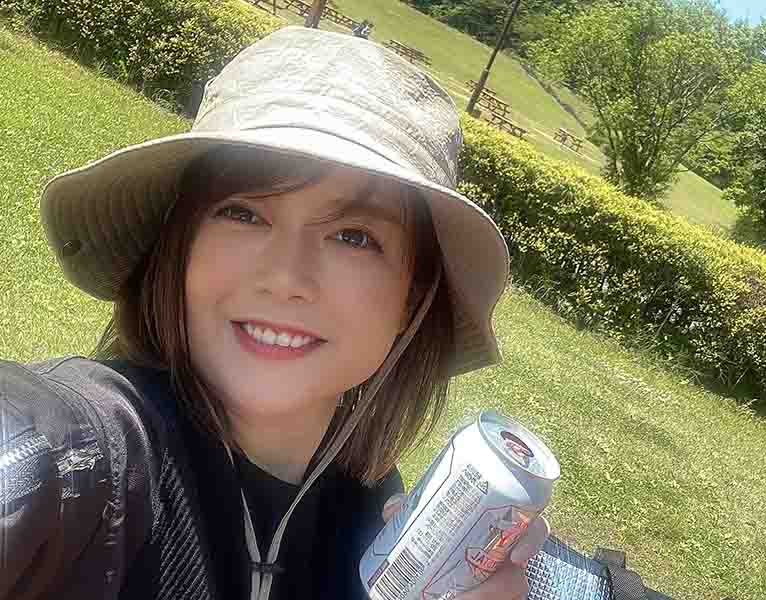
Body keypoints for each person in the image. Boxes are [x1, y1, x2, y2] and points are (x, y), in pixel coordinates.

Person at [0, 26, 549, 600]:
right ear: (179, 245)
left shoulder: (375, 524)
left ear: (412, 298)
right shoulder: (85, 455)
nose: (285, 278)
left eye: (354, 237)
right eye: (243, 213)